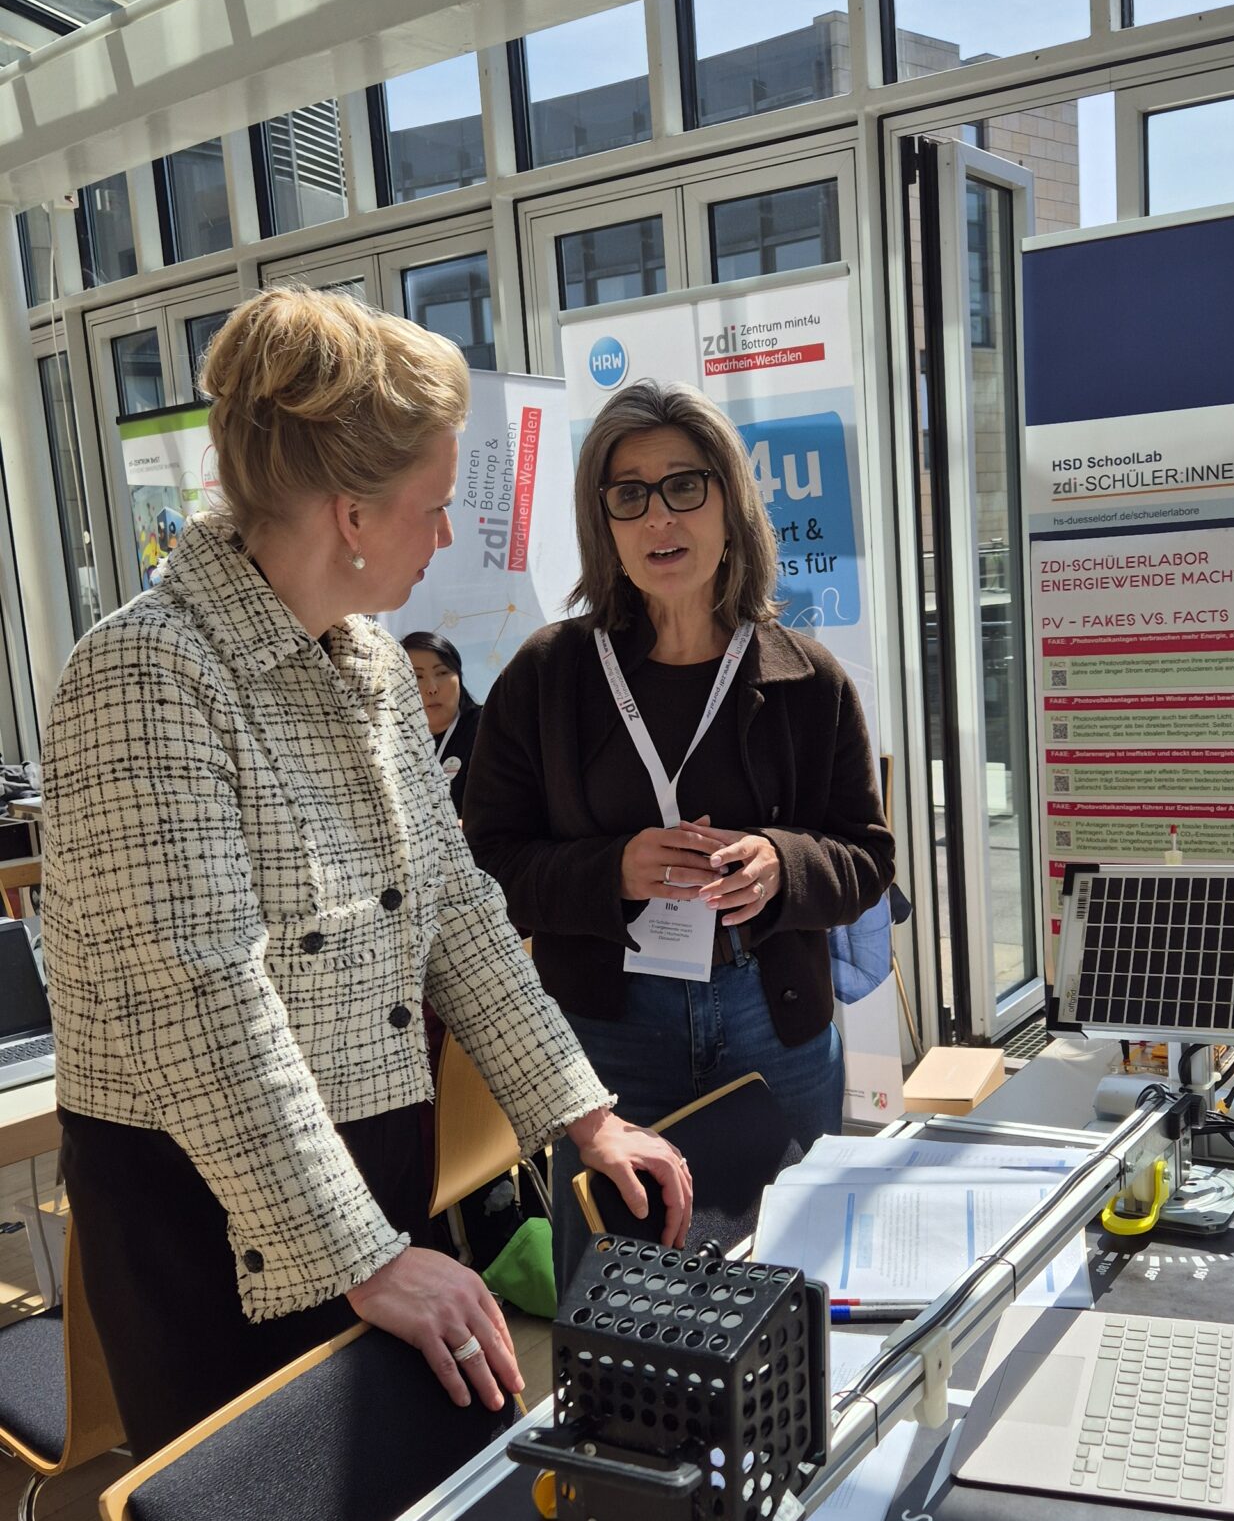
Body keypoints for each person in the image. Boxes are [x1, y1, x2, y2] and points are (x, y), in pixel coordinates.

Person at [41, 289, 689, 1458]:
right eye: (433, 508)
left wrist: (584, 1115)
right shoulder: (146, 673)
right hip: (218, 1210)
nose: (445, 536)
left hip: (367, 1167)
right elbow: (205, 1014)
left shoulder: (371, 660)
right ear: (349, 512)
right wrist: (368, 1257)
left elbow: (457, 912)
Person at [464, 376, 895, 1290]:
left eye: (683, 485)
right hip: (607, 1030)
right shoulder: (550, 677)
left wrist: (783, 864)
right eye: (629, 495)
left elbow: (866, 857)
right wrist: (609, 869)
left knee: (784, 1276)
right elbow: (482, 866)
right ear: (605, 523)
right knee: (619, 1293)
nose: (659, 517)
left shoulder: (807, 679)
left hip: (769, 1017)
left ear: (730, 504)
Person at [402, 630, 479, 815]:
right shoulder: (391, 743)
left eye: (442, 672)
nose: (432, 688)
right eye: (417, 676)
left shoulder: (488, 729)